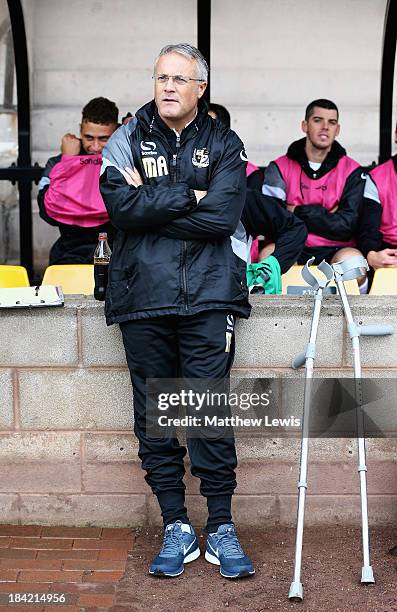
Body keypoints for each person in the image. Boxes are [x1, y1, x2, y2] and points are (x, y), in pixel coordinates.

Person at [99, 43, 255, 579]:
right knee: (156, 417)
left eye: (179, 79)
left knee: (207, 410)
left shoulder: (226, 143)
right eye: (161, 77)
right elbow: (119, 208)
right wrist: (190, 195)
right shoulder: (125, 139)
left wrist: (154, 204)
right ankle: (175, 525)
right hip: (142, 296)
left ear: (200, 88)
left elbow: (222, 218)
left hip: (210, 295)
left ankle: (221, 526)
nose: (168, 86)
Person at [261, 99, 367, 289]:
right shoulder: (278, 167)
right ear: (305, 125)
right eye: (318, 120)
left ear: (338, 129)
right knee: (267, 257)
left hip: (336, 248)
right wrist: (328, 215)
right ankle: (278, 320)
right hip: (291, 243)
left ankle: (346, 319)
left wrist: (296, 211)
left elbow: (346, 226)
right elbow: (271, 221)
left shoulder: (353, 170)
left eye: (332, 122)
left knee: (354, 265)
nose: (325, 127)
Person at [208, 103, 306, 268]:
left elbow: (293, 227)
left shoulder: (246, 184)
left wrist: (271, 268)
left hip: (233, 276)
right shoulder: (171, 186)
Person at [38, 97, 119, 265]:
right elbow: (47, 214)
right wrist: (68, 162)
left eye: (104, 139)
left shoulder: (123, 159)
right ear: (80, 131)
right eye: (89, 138)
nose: (95, 147)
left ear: (116, 132)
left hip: (115, 253)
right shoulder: (58, 162)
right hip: (70, 253)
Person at [358, 122, 397, 269]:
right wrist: (372, 255)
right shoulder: (377, 177)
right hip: (388, 251)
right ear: (396, 135)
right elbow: (368, 227)